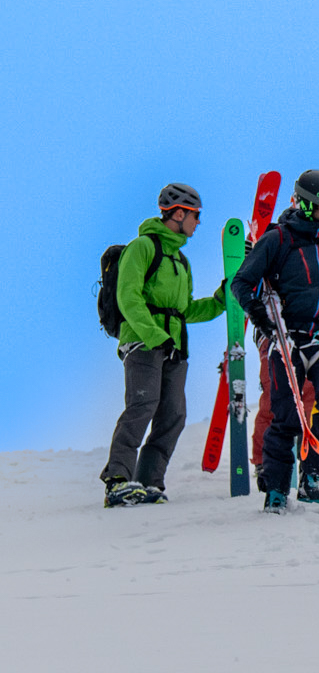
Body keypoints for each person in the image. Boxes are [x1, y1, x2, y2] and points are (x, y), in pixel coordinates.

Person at [231, 169, 319, 511]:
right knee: (287, 415)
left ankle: (313, 479)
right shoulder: (278, 239)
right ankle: (277, 490)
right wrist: (261, 318)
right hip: (287, 338)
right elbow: (241, 284)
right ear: (310, 205)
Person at [100, 183, 227, 506]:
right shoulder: (142, 247)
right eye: (195, 216)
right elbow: (128, 298)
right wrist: (156, 337)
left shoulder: (181, 260)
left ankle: (148, 482)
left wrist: (220, 300)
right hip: (143, 343)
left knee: (173, 414)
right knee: (142, 405)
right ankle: (117, 481)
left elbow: (185, 311)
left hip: (173, 347)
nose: (198, 223)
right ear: (179, 213)